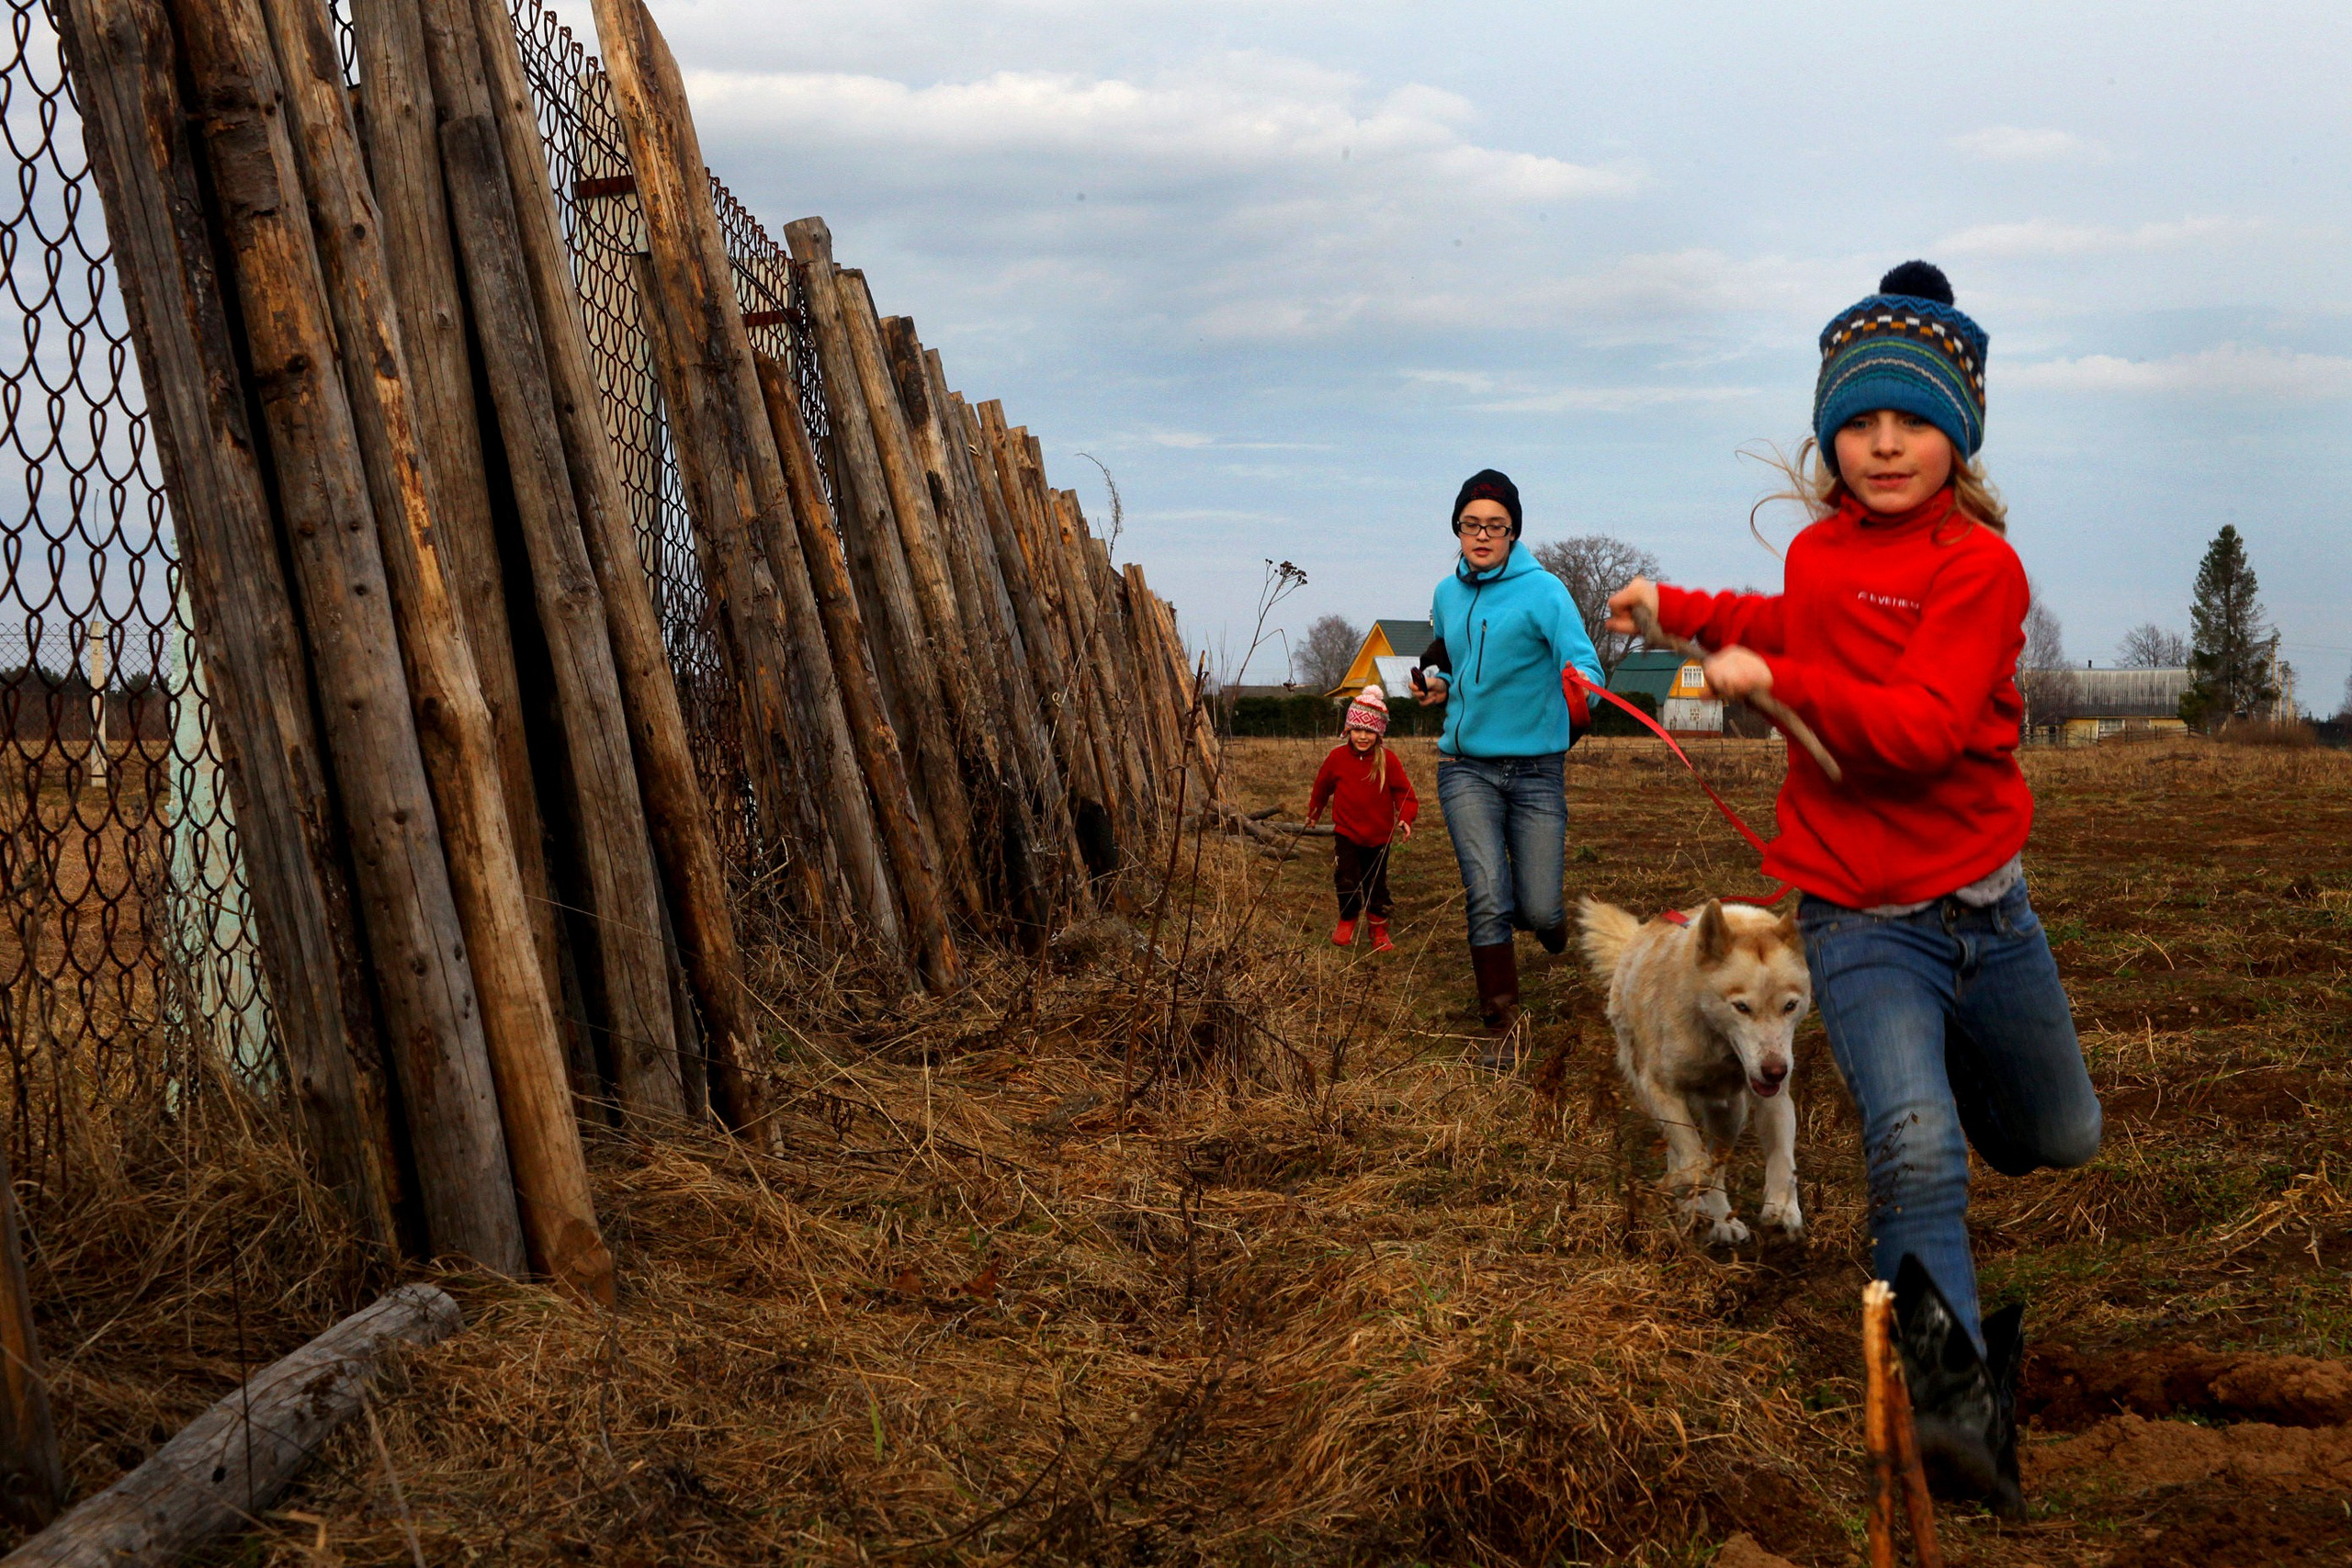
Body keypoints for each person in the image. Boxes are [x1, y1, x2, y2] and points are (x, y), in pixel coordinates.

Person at [1606, 261, 2102, 1516]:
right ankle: (1949, 1423)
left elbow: (1922, 727)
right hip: (1857, 920)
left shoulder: (1981, 570)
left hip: (1987, 912)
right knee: (1916, 1151)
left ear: (1958, 438)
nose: (1885, 445)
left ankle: (1941, 1075)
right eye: (1860, 422)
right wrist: (1680, 610)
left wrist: (1774, 684)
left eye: (1913, 421)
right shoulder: (1823, 554)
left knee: (2058, 1136)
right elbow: (1787, 619)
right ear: (1828, 436)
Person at [1412, 469, 1603, 1068]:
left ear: (1514, 532)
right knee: (1488, 892)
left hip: (1537, 770)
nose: (1482, 535)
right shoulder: (1446, 593)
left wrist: (1581, 689)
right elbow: (1446, 654)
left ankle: (1546, 917)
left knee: (1540, 909)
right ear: (1457, 529)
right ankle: (1501, 1027)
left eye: (1495, 526)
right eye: (1471, 524)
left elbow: (1586, 663)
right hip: (1465, 767)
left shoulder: (1545, 592)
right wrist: (1437, 683)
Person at [1304, 685, 1418, 952]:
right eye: (1357, 730)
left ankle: (1378, 928)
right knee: (1346, 878)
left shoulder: (1387, 760)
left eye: (1369, 731)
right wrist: (1314, 812)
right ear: (1348, 729)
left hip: (1379, 836)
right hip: (1347, 833)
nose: (1363, 736)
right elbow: (1322, 787)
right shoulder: (1337, 758)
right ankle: (1348, 918)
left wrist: (1405, 818)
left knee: (1376, 884)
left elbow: (1405, 793)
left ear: (1379, 733)